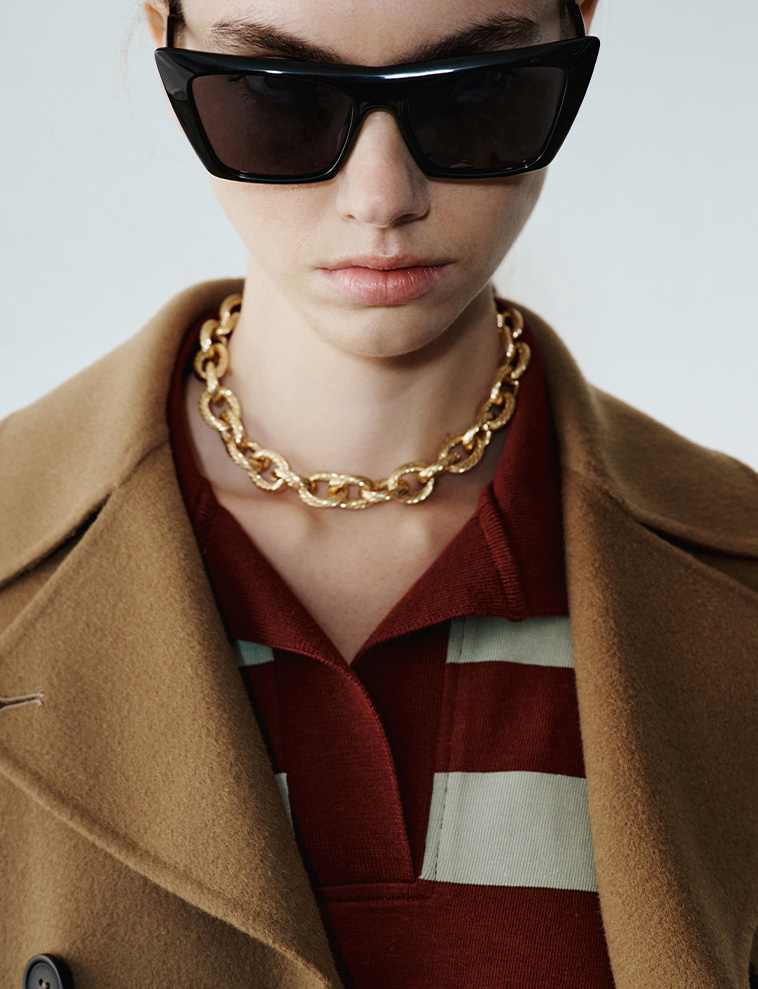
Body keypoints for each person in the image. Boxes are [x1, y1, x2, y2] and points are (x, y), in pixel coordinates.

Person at [1, 0, 757, 986]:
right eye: (278, 97)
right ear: (163, 35)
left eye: (475, 93)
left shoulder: (734, 582)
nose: (381, 197)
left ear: (578, 25)